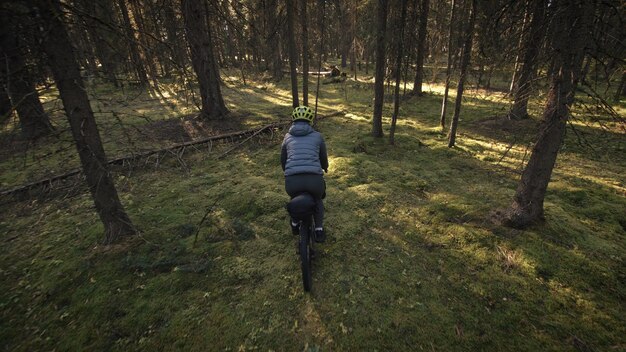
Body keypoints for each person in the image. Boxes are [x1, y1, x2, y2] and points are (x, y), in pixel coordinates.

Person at [281, 106, 328, 242]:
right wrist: (325, 167)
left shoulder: (287, 137)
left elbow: (283, 159)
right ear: (310, 121)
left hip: (292, 181)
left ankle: (295, 223)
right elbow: (323, 157)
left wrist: (287, 171)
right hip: (314, 180)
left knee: (294, 197)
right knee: (318, 199)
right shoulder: (318, 136)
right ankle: (319, 230)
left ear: (294, 121)